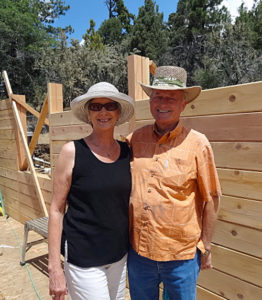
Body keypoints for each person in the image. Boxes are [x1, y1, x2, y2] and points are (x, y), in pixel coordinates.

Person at [127, 66, 221, 300]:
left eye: (171, 97)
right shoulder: (134, 140)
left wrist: (206, 246)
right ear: (150, 101)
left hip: (181, 256)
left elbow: (212, 198)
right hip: (139, 253)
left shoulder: (198, 144)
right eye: (157, 95)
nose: (163, 102)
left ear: (183, 104)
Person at [48, 82, 134, 300]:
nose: (103, 112)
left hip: (119, 257)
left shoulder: (127, 152)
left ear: (118, 112)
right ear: (88, 113)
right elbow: (56, 210)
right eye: (96, 106)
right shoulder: (72, 152)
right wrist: (55, 268)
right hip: (83, 259)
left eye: (110, 106)